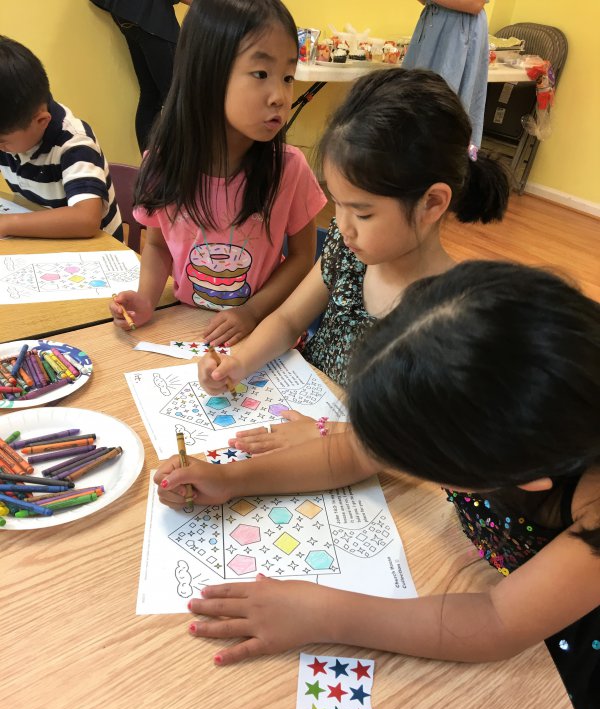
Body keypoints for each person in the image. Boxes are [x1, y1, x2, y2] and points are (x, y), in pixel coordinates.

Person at [156, 260, 600, 709]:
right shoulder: (485, 412)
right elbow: (355, 454)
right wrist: (232, 480)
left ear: (526, 475)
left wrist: (323, 613)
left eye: (426, 464)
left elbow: (497, 621)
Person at [197, 67, 508, 454]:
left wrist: (327, 434)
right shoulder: (348, 252)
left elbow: (425, 439)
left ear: (431, 203)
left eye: (362, 213)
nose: (342, 226)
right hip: (303, 404)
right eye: (337, 204)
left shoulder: (455, 311)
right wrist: (239, 362)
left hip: (367, 456)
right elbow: (288, 319)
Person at [110, 0, 326, 342]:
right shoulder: (163, 164)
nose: (281, 97)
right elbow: (158, 245)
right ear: (205, 75)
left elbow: (302, 258)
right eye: (261, 74)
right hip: (186, 327)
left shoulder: (289, 167)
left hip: (262, 330)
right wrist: (147, 299)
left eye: (288, 77)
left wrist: (251, 312)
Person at [0, 36, 122, 240]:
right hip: (41, 239)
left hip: (92, 250)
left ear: (41, 121)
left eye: (2, 142)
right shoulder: (12, 131)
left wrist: (8, 223)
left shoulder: (74, 143)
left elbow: (86, 220)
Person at [89, 1, 192, 153]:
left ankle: (150, 163)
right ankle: (180, 162)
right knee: (178, 97)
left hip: (128, 17)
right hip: (150, 17)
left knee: (152, 96)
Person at [402, 1, 490, 153]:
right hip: (432, 24)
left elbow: (474, 4)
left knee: (445, 108)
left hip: (458, 33)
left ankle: (439, 162)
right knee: (412, 100)